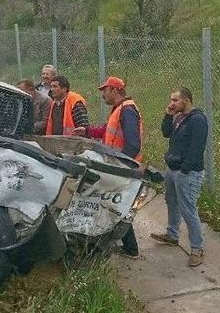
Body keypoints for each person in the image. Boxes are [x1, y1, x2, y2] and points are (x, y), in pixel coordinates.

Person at [78, 76, 144, 259]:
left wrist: (120, 165)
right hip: (118, 167)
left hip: (122, 168)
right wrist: (88, 131)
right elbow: (108, 130)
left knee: (114, 205)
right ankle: (129, 247)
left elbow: (133, 145)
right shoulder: (120, 109)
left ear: (114, 90)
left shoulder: (127, 110)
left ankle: (127, 247)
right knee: (114, 205)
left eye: (105, 91)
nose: (102, 95)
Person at [149, 87, 209, 267]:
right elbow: (166, 133)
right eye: (171, 100)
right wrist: (168, 115)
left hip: (187, 173)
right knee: (171, 201)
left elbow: (197, 149)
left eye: (175, 100)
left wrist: (184, 170)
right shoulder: (179, 118)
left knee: (188, 209)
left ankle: (197, 249)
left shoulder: (197, 120)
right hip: (172, 169)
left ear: (186, 100)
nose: (171, 103)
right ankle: (172, 234)